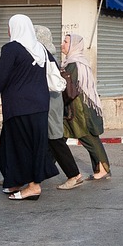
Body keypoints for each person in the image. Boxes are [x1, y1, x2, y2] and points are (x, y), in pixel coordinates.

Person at [0, 14, 53, 201]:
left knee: (21, 147)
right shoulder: (40, 49)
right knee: (25, 145)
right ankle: (16, 181)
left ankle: (33, 186)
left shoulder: (12, 49)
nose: (8, 31)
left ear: (16, 28)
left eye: (10, 27)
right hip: (40, 106)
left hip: (20, 107)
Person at [35, 25, 84, 191]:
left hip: (50, 104)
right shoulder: (43, 55)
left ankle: (74, 175)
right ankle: (30, 175)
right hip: (47, 103)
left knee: (55, 140)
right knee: (47, 141)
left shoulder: (45, 56)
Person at [61, 32, 111, 180]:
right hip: (73, 109)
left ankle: (102, 168)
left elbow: (70, 88)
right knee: (57, 140)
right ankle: (42, 170)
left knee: (88, 137)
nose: (62, 44)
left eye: (66, 42)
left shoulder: (74, 64)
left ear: (74, 46)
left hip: (78, 111)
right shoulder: (73, 62)